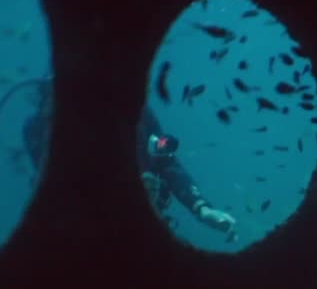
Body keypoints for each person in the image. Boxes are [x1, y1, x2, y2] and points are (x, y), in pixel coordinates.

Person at [21, 79, 237, 239]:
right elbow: (56, 185)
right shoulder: (44, 126)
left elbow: (167, 162)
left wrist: (201, 207)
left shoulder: (138, 112)